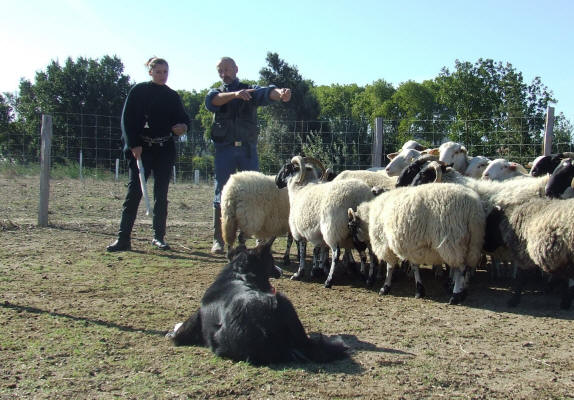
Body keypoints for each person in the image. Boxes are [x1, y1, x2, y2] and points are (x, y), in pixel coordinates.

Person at [205, 57, 291, 254]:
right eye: (220, 70)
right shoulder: (217, 92)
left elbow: (266, 92)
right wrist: (235, 95)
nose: (224, 73)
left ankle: (259, 238)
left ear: (236, 69)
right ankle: (219, 239)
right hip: (224, 150)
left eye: (227, 69)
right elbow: (212, 102)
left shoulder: (250, 90)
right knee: (221, 191)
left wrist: (280, 94)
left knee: (256, 191)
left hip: (247, 150)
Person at [107, 57, 189, 252]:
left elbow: (184, 120)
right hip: (142, 150)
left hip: (164, 149)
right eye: (159, 72)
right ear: (150, 72)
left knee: (161, 194)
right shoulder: (138, 91)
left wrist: (183, 127)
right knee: (134, 192)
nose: (162, 76)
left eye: (165, 72)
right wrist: (133, 144)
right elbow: (127, 120)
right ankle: (123, 238)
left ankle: (158, 237)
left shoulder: (172, 96)